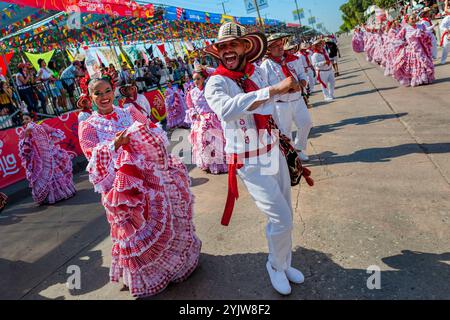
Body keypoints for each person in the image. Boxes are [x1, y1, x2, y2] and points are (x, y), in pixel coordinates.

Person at [204, 22, 313, 296]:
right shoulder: (216, 81)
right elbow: (227, 110)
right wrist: (274, 91)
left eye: (233, 44)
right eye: (223, 46)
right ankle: (274, 266)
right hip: (250, 162)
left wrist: (285, 142)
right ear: (218, 52)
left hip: (273, 151)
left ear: (245, 47)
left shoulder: (254, 75)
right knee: (281, 219)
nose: (228, 50)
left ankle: (284, 263)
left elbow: (267, 109)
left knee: (286, 212)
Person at [78, 77, 201, 298]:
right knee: (132, 232)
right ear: (90, 97)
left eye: (108, 90)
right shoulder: (88, 126)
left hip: (147, 178)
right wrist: (115, 144)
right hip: (119, 189)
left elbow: (155, 132)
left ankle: (169, 268)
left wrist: (140, 140)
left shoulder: (128, 112)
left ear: (114, 91)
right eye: (98, 93)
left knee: (157, 223)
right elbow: (92, 159)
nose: (104, 96)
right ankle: (144, 277)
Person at [261, 34, 313, 161]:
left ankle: (299, 148)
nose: (280, 48)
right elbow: (266, 87)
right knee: (285, 132)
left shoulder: (294, 59)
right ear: (269, 49)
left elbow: (302, 76)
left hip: (298, 100)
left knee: (306, 124)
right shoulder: (265, 66)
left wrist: (300, 85)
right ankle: (291, 157)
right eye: (276, 46)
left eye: (281, 44)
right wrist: (283, 89)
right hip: (280, 104)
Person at [19, 113, 76, 205]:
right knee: (43, 177)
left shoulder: (41, 126)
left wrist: (48, 144)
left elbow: (54, 131)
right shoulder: (24, 133)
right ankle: (47, 197)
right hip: (38, 160)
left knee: (53, 175)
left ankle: (59, 194)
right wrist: (27, 136)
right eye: (23, 119)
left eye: (27, 119)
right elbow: (25, 150)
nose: (25, 121)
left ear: (32, 119)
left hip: (48, 156)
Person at [185, 68, 228, 174]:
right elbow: (190, 106)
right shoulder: (191, 93)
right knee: (203, 144)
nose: (196, 81)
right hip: (200, 122)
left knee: (216, 143)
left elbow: (216, 72)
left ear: (204, 78)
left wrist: (204, 68)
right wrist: (194, 114)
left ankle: (218, 165)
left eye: (198, 79)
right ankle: (208, 164)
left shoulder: (210, 89)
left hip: (213, 120)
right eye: (194, 79)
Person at [393, 14, 435, 87]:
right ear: (408, 20)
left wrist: (423, 34)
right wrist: (403, 43)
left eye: (414, 18)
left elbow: (427, 34)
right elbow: (397, 38)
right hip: (411, 49)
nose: (414, 20)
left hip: (421, 48)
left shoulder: (421, 26)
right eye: (412, 18)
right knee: (414, 65)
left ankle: (424, 79)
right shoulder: (405, 28)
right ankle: (416, 79)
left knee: (423, 62)